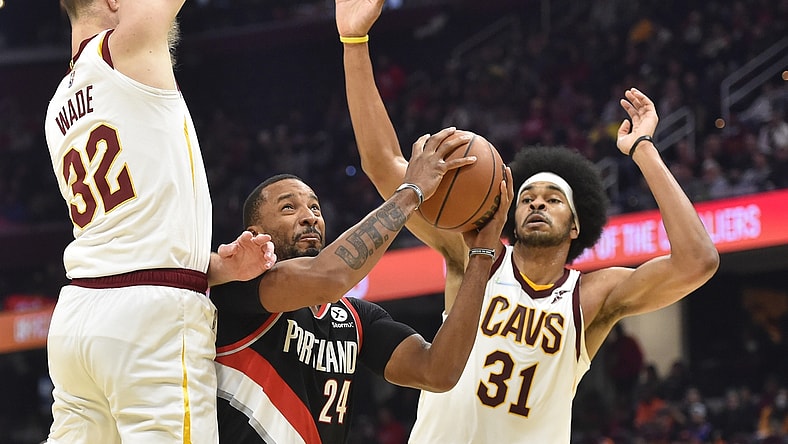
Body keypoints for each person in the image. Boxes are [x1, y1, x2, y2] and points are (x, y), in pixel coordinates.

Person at [336, 0, 720, 441]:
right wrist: (354, 41)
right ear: (511, 214)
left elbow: (698, 261)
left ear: (575, 226)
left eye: (554, 199)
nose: (537, 204)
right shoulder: (472, 257)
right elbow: (383, 165)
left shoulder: (592, 296)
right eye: (529, 197)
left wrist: (643, 150)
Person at [43, 1, 277, 443]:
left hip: (78, 316)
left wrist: (217, 267)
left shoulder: (55, 108)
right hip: (149, 320)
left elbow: (122, 234)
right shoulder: (125, 49)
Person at [210, 131, 514, 443]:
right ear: (255, 233)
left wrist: (480, 254)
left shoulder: (355, 319)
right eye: (289, 208)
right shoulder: (240, 289)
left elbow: (438, 371)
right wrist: (412, 191)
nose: (309, 218)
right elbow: (327, 278)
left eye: (315, 208)